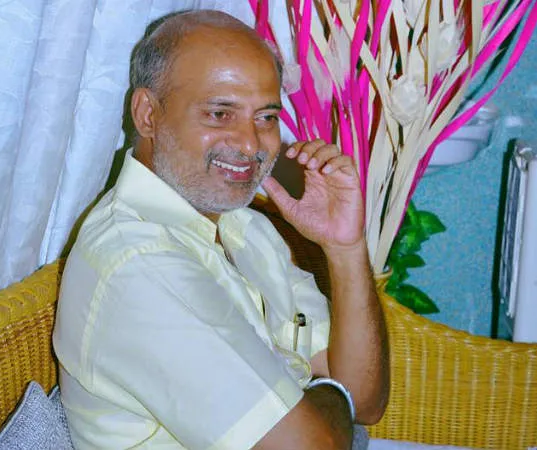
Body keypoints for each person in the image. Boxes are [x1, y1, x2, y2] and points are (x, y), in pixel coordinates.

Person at [53, 9, 389, 450]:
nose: (250, 144)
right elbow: (316, 443)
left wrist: (345, 249)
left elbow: (366, 400)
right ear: (147, 114)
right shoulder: (139, 262)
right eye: (219, 113)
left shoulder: (244, 228)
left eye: (266, 117)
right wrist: (327, 392)